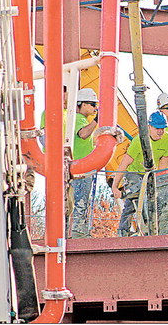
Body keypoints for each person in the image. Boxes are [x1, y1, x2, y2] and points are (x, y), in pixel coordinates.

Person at [112, 111, 168, 237]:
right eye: (157, 128)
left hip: (151, 172)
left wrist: (159, 182)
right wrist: (115, 186)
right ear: (149, 127)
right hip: (134, 172)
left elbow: (163, 166)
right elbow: (124, 164)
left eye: (163, 128)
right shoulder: (138, 141)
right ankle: (123, 231)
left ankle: (154, 229)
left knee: (155, 197)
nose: (160, 132)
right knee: (133, 197)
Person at [69, 88, 99, 238]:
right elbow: (83, 134)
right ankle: (77, 231)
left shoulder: (82, 120)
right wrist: (96, 120)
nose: (95, 108)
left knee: (81, 200)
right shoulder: (77, 119)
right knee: (80, 200)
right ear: (82, 104)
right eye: (92, 104)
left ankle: (78, 230)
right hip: (80, 168)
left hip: (83, 167)